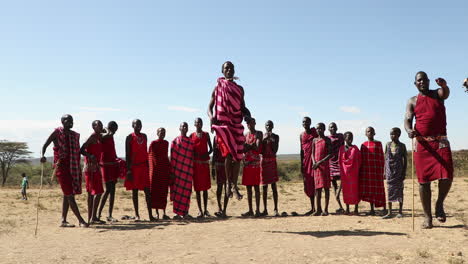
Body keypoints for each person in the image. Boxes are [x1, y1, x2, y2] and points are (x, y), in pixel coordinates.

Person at [404, 71, 453, 229]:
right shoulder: (412, 100)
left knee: (447, 175)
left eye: (424, 79)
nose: (422, 82)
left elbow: (445, 94)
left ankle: (439, 204)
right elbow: (407, 118)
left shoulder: (437, 94)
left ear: (429, 81)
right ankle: (427, 217)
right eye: (419, 80)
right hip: (422, 145)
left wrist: (444, 86)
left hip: (440, 142)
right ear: (415, 83)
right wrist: (408, 130)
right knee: (423, 181)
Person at [207, 61, 252, 217]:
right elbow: (209, 106)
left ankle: (233, 184)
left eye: (231, 68)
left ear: (234, 70)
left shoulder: (239, 89)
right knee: (227, 154)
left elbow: (243, 107)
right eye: (226, 68)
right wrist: (211, 117)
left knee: (238, 155)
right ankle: (229, 184)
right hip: (223, 126)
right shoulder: (218, 87)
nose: (229, 70)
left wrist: (248, 115)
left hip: (235, 125)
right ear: (222, 71)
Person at [40, 114, 88, 227]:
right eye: (67, 120)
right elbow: (45, 145)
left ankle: (63, 220)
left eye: (72, 120)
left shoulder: (74, 135)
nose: (70, 122)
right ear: (62, 122)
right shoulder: (57, 133)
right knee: (69, 194)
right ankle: (81, 220)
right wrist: (43, 156)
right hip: (61, 167)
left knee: (67, 194)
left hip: (72, 167)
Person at [124, 119, 156, 221]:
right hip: (134, 167)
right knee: (135, 192)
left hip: (144, 167)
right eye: (136, 124)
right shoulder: (129, 137)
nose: (138, 126)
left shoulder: (144, 136)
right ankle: (137, 214)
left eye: (140, 124)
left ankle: (150, 215)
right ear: (132, 125)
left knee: (147, 191)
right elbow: (127, 154)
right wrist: (128, 170)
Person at [97, 121, 125, 223]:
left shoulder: (111, 135)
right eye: (113, 129)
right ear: (110, 127)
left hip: (112, 164)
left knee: (112, 190)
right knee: (108, 189)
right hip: (105, 165)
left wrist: (117, 158)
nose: (114, 132)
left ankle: (109, 214)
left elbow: (112, 149)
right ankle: (98, 213)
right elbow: (105, 136)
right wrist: (109, 131)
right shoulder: (104, 132)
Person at [80, 120, 105, 225]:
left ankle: (92, 217)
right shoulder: (92, 137)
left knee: (95, 192)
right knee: (95, 192)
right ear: (93, 127)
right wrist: (90, 156)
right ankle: (92, 217)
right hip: (90, 167)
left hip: (96, 167)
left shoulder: (99, 137)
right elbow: (81, 150)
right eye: (97, 125)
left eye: (101, 125)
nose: (100, 127)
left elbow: (108, 132)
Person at [360, 127, 387, 216]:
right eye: (368, 131)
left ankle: (384, 208)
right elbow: (361, 159)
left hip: (377, 171)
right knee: (370, 190)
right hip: (368, 171)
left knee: (379, 189)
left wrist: (384, 171)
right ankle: (371, 209)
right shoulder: (363, 145)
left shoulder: (378, 144)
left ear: (374, 133)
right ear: (365, 134)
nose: (370, 133)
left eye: (371, 131)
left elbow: (381, 158)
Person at [170, 122, 195, 219]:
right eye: (182, 126)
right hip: (178, 172)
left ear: (188, 129)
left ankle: (186, 213)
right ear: (179, 128)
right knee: (178, 192)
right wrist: (172, 172)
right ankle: (177, 213)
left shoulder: (191, 142)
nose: (184, 127)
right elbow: (172, 158)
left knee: (187, 192)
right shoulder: (175, 141)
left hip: (188, 172)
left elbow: (192, 156)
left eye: (186, 126)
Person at [190, 118, 213, 218]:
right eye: (197, 122)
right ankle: (200, 210)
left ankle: (206, 209)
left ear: (202, 124)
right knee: (198, 189)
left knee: (205, 189)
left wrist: (206, 154)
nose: (198, 124)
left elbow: (211, 149)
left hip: (204, 164)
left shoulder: (206, 134)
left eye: (200, 122)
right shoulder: (191, 136)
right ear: (194, 124)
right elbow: (190, 150)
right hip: (196, 165)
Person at [382, 128, 407, 219]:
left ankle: (400, 211)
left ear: (399, 135)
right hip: (389, 172)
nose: (392, 136)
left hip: (399, 171)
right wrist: (384, 171)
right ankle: (390, 212)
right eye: (391, 134)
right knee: (389, 191)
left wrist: (404, 172)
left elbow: (405, 160)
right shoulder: (387, 145)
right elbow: (386, 159)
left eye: (394, 134)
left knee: (400, 191)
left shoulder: (402, 146)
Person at [148, 128, 171, 220]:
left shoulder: (166, 143)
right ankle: (157, 213)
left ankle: (164, 213)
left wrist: (168, 169)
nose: (162, 134)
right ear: (157, 133)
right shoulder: (153, 143)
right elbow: (151, 157)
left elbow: (165, 156)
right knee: (155, 192)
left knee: (164, 192)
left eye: (164, 132)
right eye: (160, 132)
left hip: (164, 171)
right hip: (156, 171)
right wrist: (153, 170)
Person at [241, 118, 262, 217]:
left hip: (255, 164)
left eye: (251, 123)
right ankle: (250, 210)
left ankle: (257, 210)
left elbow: (257, 147)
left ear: (255, 123)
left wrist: (248, 146)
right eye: (248, 123)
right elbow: (243, 149)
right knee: (248, 188)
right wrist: (251, 145)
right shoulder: (245, 135)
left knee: (256, 188)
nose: (249, 125)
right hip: (247, 164)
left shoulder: (259, 133)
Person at [311, 123, 332, 216]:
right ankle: (318, 209)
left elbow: (330, 153)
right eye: (317, 128)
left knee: (326, 188)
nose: (318, 130)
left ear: (324, 129)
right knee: (317, 189)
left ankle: (326, 209)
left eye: (320, 128)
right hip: (316, 167)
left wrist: (320, 162)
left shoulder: (327, 140)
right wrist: (314, 162)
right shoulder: (314, 140)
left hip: (324, 166)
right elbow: (312, 153)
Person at [260, 120, 280, 217]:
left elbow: (275, 150)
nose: (268, 126)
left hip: (272, 161)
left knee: (273, 186)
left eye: (270, 125)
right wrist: (264, 140)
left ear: (273, 126)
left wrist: (272, 140)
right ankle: (265, 209)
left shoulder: (276, 136)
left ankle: (276, 209)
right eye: (267, 125)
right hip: (263, 162)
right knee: (264, 187)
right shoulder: (262, 136)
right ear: (265, 126)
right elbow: (260, 150)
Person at [339, 132, 361, 215]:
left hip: (354, 173)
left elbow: (359, 160)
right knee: (346, 191)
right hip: (344, 174)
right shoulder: (341, 149)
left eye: (351, 137)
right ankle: (347, 209)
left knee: (355, 191)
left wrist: (356, 169)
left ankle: (356, 209)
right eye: (348, 137)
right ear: (344, 139)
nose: (350, 139)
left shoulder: (355, 148)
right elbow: (340, 161)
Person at [299, 117, 318, 215]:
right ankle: (312, 208)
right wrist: (301, 164)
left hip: (315, 161)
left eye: (307, 121)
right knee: (309, 183)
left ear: (310, 122)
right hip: (306, 162)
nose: (305, 123)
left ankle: (317, 208)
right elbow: (301, 150)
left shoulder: (315, 132)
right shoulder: (301, 135)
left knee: (316, 184)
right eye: (303, 122)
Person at [328, 122, 345, 214]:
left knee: (343, 178)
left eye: (334, 127)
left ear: (337, 128)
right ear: (328, 129)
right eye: (331, 127)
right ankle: (340, 206)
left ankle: (338, 194)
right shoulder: (327, 138)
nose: (332, 128)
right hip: (331, 162)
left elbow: (344, 146)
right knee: (333, 183)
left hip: (340, 160)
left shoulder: (341, 136)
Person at [211, 136, 226, 217]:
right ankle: (219, 208)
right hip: (218, 165)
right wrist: (213, 168)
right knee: (219, 187)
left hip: (227, 165)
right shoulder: (216, 137)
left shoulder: (227, 135)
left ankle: (224, 209)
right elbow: (214, 153)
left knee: (227, 187)